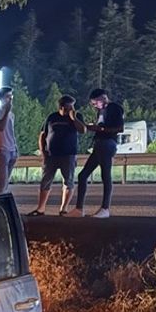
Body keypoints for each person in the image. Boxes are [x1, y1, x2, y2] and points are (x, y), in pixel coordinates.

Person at [29, 95, 86, 216]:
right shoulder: (52, 117)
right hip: (51, 155)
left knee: (68, 182)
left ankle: (63, 209)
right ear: (62, 107)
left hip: (68, 155)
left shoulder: (77, 116)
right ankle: (41, 208)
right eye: (69, 107)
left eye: (73, 106)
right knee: (45, 182)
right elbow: (43, 135)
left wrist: (74, 118)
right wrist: (43, 153)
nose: (72, 109)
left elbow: (83, 130)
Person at [73, 88, 124, 218]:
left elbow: (119, 128)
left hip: (107, 143)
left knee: (105, 175)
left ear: (103, 98)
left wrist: (100, 128)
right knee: (82, 175)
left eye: (95, 103)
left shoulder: (114, 108)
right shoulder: (101, 112)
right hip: (99, 144)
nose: (94, 106)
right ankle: (79, 209)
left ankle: (105, 208)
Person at [0, 86, 17, 194]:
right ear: (1, 98)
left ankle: (2, 202)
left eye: (11, 96)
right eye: (8, 97)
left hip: (12, 150)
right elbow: (1, 127)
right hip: (1, 150)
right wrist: (6, 112)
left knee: (6, 181)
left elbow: (11, 132)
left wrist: (15, 148)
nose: (10, 99)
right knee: (2, 180)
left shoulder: (11, 114)